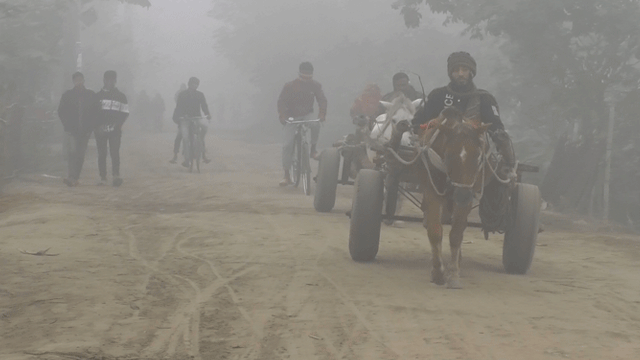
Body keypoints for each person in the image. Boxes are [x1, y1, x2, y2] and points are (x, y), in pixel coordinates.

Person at [411, 51, 516, 177]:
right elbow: (417, 123)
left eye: (464, 69)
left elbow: (497, 128)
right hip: (438, 158)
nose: (460, 74)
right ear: (450, 73)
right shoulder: (437, 95)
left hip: (473, 155)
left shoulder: (485, 99)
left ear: (471, 72)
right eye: (456, 70)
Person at [277, 61, 327, 186]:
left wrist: (322, 114)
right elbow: (281, 102)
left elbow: (322, 100)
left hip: (306, 115)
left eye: (309, 76)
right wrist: (282, 116)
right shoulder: (289, 86)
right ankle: (286, 175)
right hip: (291, 117)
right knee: (288, 145)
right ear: (299, 74)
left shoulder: (315, 86)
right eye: (304, 76)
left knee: (315, 124)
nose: (306, 79)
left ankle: (313, 149)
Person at [57, 72, 97, 187]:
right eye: (76, 80)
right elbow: (61, 111)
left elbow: (96, 112)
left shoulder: (90, 95)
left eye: (80, 79)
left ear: (84, 80)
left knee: (80, 154)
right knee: (72, 153)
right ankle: (71, 176)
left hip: (85, 131)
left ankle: (75, 177)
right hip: (71, 130)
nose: (78, 82)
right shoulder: (67, 95)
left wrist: (91, 127)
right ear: (73, 81)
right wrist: (66, 125)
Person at [95, 70, 129, 187]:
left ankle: (116, 175)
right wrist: (98, 125)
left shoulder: (121, 97)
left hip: (115, 129)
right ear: (104, 80)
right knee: (102, 153)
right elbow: (93, 113)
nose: (110, 82)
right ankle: (103, 177)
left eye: (112, 79)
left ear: (115, 81)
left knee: (114, 152)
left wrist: (118, 124)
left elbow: (125, 113)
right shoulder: (97, 96)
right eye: (108, 79)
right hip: (100, 129)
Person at [172, 77, 212, 167]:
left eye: (197, 84)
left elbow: (204, 106)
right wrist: (179, 117)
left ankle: (203, 154)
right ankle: (186, 160)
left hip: (197, 118)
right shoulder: (182, 95)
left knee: (203, 131)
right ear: (189, 84)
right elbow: (178, 107)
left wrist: (207, 114)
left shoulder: (200, 95)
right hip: (185, 119)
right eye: (193, 83)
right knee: (185, 138)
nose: (195, 85)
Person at [170, 83, 187, 163]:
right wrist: (179, 120)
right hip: (182, 123)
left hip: (191, 123)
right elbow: (175, 117)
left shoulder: (192, 104)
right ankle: (175, 155)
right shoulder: (179, 107)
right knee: (178, 138)